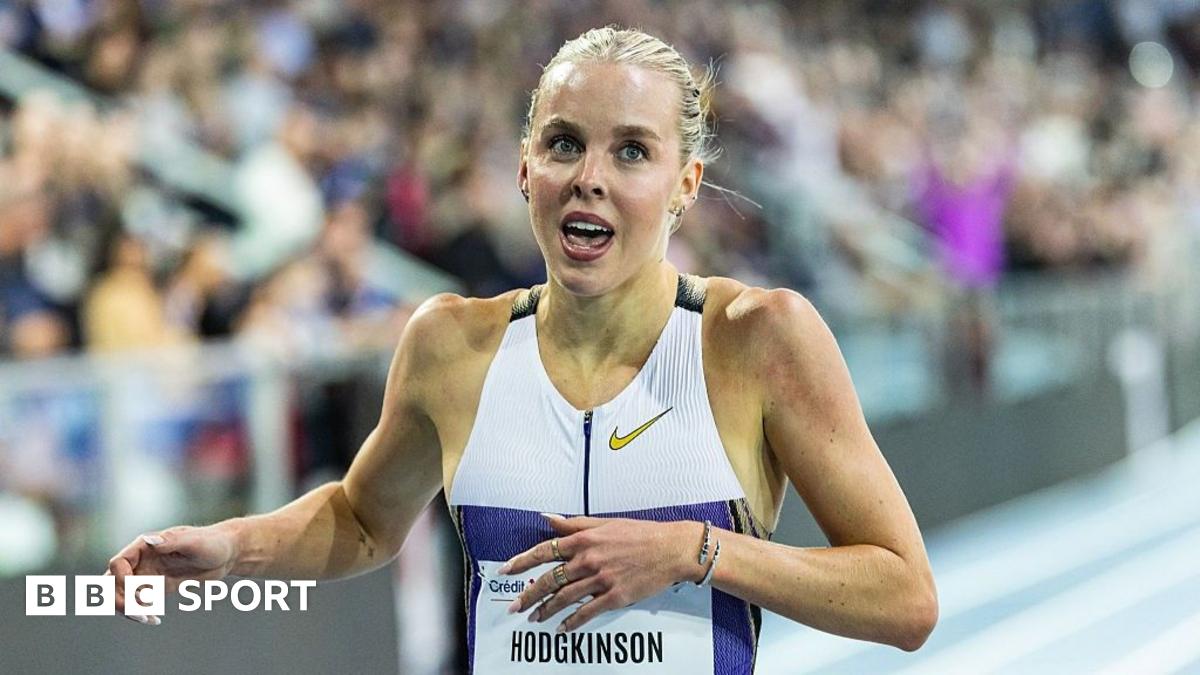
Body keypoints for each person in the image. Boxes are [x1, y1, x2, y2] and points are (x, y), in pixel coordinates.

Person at [106, 26, 937, 672]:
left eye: (632, 151)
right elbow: (362, 521)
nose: (589, 177)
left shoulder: (755, 337)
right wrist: (231, 546)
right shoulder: (451, 345)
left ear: (685, 184)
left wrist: (696, 551)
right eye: (564, 143)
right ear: (525, 168)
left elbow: (905, 596)